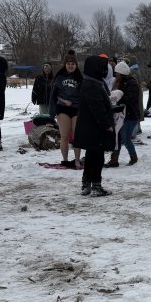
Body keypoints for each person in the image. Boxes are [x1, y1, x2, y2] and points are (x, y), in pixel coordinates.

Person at [73, 56, 114, 196]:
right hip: (94, 128)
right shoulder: (92, 85)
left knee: (91, 156)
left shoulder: (92, 82)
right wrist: (106, 125)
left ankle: (87, 184)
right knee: (97, 157)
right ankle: (95, 185)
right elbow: (96, 107)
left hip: (90, 127)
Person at [49, 50, 83, 168]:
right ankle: (65, 159)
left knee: (77, 136)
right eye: (68, 63)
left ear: (76, 65)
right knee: (64, 136)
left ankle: (77, 160)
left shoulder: (80, 78)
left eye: (73, 64)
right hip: (63, 109)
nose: (70, 66)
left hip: (76, 109)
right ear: (65, 65)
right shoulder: (59, 78)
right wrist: (62, 102)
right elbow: (54, 95)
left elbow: (84, 95)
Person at [105, 61, 139, 167]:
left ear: (122, 73)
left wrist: (118, 97)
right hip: (120, 115)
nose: (116, 75)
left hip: (130, 116)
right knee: (117, 138)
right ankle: (114, 160)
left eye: (117, 73)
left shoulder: (132, 83)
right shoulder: (119, 83)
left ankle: (133, 157)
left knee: (125, 138)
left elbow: (131, 99)